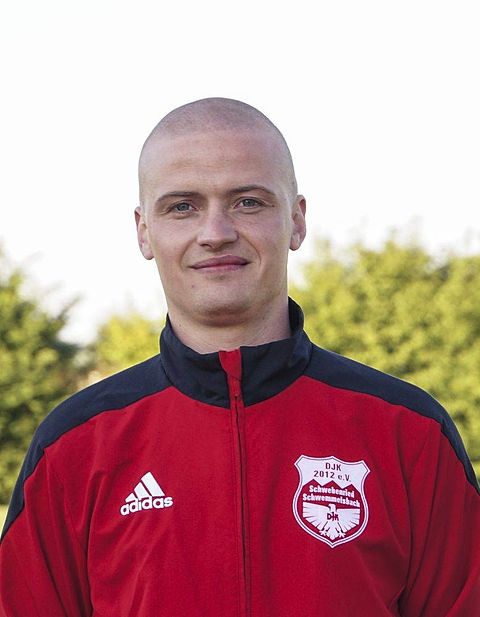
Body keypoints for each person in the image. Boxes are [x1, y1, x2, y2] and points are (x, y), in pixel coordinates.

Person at [0, 97, 479, 616]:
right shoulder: (73, 447)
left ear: (296, 221)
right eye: (182, 207)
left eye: (248, 202)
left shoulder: (409, 432)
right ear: (144, 231)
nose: (215, 233)